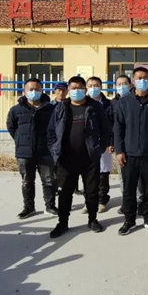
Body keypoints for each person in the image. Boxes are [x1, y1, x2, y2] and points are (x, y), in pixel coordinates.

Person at [47, 76, 110, 238]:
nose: (77, 91)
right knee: (65, 193)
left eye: (80, 88)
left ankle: (92, 220)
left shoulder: (94, 106)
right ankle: (62, 223)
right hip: (66, 159)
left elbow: (106, 129)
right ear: (68, 89)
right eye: (73, 88)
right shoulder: (61, 107)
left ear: (85, 89)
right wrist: (55, 150)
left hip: (89, 158)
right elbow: (51, 131)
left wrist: (99, 148)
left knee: (92, 192)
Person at [114, 67, 148, 235]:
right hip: (129, 154)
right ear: (133, 80)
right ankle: (129, 220)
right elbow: (118, 127)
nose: (142, 80)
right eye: (139, 77)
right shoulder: (124, 101)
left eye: (145, 77)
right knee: (129, 189)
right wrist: (119, 151)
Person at [7, 78, 57, 219]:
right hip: (24, 152)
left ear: (42, 91)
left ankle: (50, 206)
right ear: (24, 91)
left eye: (37, 89)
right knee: (27, 181)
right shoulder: (16, 110)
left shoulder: (50, 109)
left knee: (49, 180)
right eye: (31, 89)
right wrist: (21, 140)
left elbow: (55, 128)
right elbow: (12, 128)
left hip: (45, 151)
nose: (34, 92)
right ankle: (29, 208)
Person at [85, 76, 115, 214]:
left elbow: (112, 124)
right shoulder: (82, 103)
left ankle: (102, 200)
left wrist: (110, 142)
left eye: (96, 85)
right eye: (90, 85)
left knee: (103, 173)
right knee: (88, 174)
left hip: (103, 143)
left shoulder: (108, 104)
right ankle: (89, 201)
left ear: (101, 87)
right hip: (86, 143)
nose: (93, 88)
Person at [111, 75, 133, 215]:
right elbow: (111, 125)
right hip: (120, 145)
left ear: (130, 85)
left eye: (125, 83)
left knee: (137, 177)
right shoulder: (113, 103)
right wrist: (111, 143)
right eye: (119, 84)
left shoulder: (135, 100)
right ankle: (126, 203)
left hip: (134, 144)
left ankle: (139, 202)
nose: (122, 86)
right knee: (122, 176)